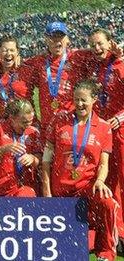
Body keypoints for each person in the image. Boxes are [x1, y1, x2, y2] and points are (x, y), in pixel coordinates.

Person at [42, 79, 118, 261]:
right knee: (65, 251)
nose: (80, 104)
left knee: (109, 203)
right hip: (61, 190)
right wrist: (47, 191)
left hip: (86, 189)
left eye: (84, 100)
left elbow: (103, 163)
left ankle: (106, 252)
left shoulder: (104, 128)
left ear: (94, 100)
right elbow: (46, 160)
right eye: (76, 99)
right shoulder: (60, 119)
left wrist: (100, 180)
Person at [87, 27, 124, 246]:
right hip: (102, 131)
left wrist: (121, 118)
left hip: (120, 131)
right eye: (93, 45)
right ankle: (114, 231)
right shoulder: (95, 65)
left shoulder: (121, 64)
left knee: (120, 180)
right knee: (107, 180)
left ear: (110, 42)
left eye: (100, 43)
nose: (97, 48)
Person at [23, 21, 92, 137]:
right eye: (53, 37)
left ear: (67, 39)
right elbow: (15, 63)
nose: (57, 41)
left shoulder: (77, 57)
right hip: (47, 126)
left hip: (72, 124)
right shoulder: (38, 61)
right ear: (46, 40)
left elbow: (101, 52)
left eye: (60, 37)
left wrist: (117, 54)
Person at [0, 99, 41, 196]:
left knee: (26, 194)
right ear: (12, 118)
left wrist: (33, 158)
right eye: (24, 122)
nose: (27, 126)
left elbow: (40, 159)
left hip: (24, 188)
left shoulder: (33, 132)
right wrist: (5, 149)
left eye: (30, 122)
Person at [0, 35, 34, 118]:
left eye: (12, 50)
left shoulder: (27, 70)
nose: (8, 53)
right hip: (5, 124)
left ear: (17, 52)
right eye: (4, 50)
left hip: (27, 122)